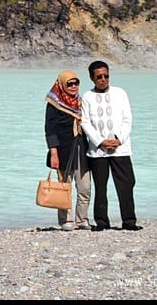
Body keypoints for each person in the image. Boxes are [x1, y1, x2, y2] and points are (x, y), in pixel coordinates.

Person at [81, 60, 142, 231]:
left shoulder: (120, 93)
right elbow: (85, 122)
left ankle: (129, 221)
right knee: (100, 188)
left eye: (106, 76)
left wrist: (118, 139)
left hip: (120, 149)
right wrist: (100, 141)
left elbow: (127, 119)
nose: (103, 79)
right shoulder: (87, 97)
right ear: (92, 78)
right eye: (99, 77)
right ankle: (101, 222)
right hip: (98, 151)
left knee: (127, 184)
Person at [43, 69, 91, 230]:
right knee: (65, 186)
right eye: (69, 83)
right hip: (63, 150)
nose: (73, 86)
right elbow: (50, 130)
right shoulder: (54, 104)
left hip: (82, 149)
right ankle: (66, 220)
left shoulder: (82, 102)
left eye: (76, 82)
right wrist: (54, 153)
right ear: (62, 84)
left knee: (84, 186)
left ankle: (82, 219)